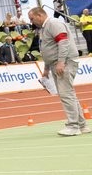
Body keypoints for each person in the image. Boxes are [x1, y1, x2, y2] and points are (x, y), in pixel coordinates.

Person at [28, 7, 89, 136]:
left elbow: (63, 42)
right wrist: (46, 69)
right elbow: (48, 50)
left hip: (64, 62)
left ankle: (73, 126)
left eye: (32, 19)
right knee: (68, 94)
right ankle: (82, 125)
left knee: (66, 94)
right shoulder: (44, 28)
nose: (32, 22)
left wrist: (61, 61)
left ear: (40, 15)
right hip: (56, 63)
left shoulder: (54, 24)